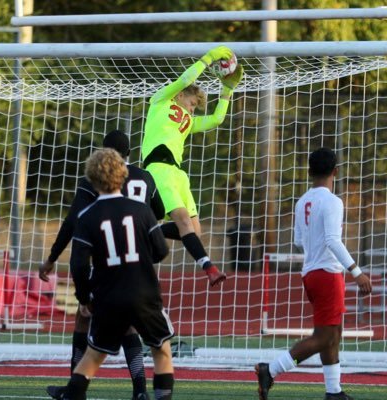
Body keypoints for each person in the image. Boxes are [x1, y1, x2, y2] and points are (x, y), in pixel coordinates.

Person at [39, 130, 164, 400]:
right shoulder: (146, 177)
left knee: (84, 316)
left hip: (107, 261)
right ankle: (141, 390)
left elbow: (73, 221)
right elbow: (160, 213)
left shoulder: (97, 180)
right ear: (131, 152)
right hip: (138, 265)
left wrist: (52, 258)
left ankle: (74, 388)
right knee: (140, 331)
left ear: (103, 153)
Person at [255, 147, 372, 400]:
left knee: (333, 333)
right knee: (324, 336)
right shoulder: (332, 201)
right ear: (335, 172)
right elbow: (332, 239)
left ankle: (333, 391)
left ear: (309, 172)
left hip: (311, 272)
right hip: (328, 274)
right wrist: (356, 271)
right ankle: (271, 370)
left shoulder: (302, 201)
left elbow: (298, 240)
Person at [142, 45, 244, 287]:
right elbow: (187, 78)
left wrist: (227, 90)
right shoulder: (161, 101)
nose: (191, 108)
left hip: (178, 175)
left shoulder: (188, 121)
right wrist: (209, 57)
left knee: (194, 231)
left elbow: (217, 119)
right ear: (180, 95)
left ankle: (145, 230)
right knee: (184, 222)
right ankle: (209, 268)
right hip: (158, 169)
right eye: (191, 102)